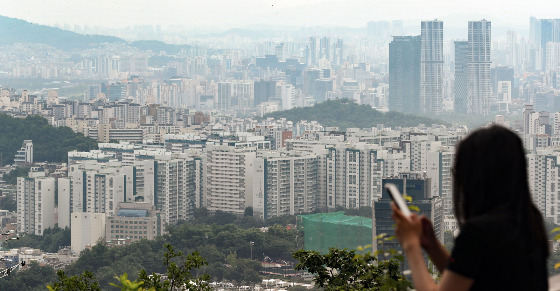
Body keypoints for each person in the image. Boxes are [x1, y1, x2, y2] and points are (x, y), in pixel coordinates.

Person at [392, 125, 549, 291]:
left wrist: (411, 244)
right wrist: (432, 245)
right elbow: (466, 276)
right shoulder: (528, 221)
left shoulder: (478, 232)